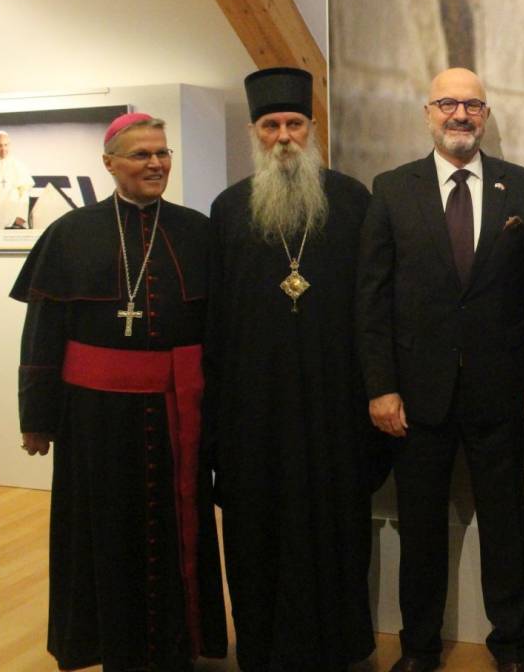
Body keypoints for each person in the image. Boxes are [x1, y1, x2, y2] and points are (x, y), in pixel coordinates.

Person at [10, 112, 227, 671]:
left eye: (162, 153)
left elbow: (221, 331)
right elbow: (42, 335)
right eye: (141, 155)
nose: (156, 164)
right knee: (104, 531)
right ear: (109, 164)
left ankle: (181, 645)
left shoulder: (198, 231)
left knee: (178, 528)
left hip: (181, 413)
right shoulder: (69, 234)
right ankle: (108, 643)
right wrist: (38, 418)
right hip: (95, 418)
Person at [357, 68, 524, 672]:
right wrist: (381, 387)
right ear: (428, 112)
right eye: (447, 104)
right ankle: (418, 648)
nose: (459, 115)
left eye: (471, 105)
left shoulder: (523, 188)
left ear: (486, 115)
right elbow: (372, 299)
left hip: (501, 393)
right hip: (416, 398)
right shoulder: (391, 188)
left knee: (506, 528)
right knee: (420, 533)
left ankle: (512, 643)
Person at [204, 67, 379, 671]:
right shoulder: (228, 210)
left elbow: (374, 303)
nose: (284, 136)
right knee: (259, 530)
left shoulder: (353, 200)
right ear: (255, 132)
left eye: (295, 124)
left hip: (335, 404)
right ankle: (263, 647)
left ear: (312, 129)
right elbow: (217, 322)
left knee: (338, 529)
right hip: (255, 411)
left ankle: (340, 646)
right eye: (271, 125)